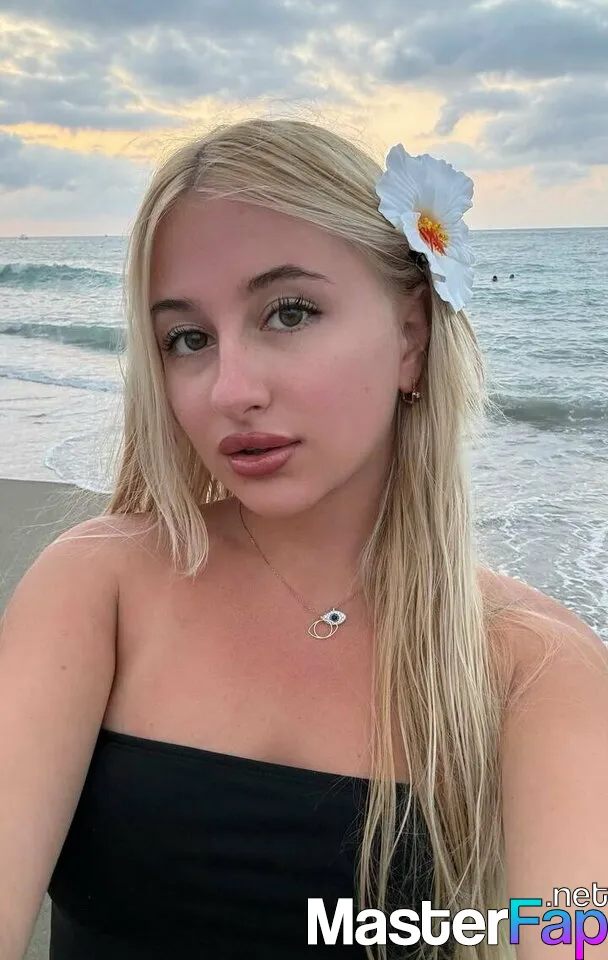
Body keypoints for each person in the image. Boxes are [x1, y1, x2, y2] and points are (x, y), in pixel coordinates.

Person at [1, 117, 607, 960]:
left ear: (411, 335)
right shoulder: (97, 589)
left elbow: (576, 929)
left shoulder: (534, 668)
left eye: (289, 312)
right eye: (188, 339)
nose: (231, 389)